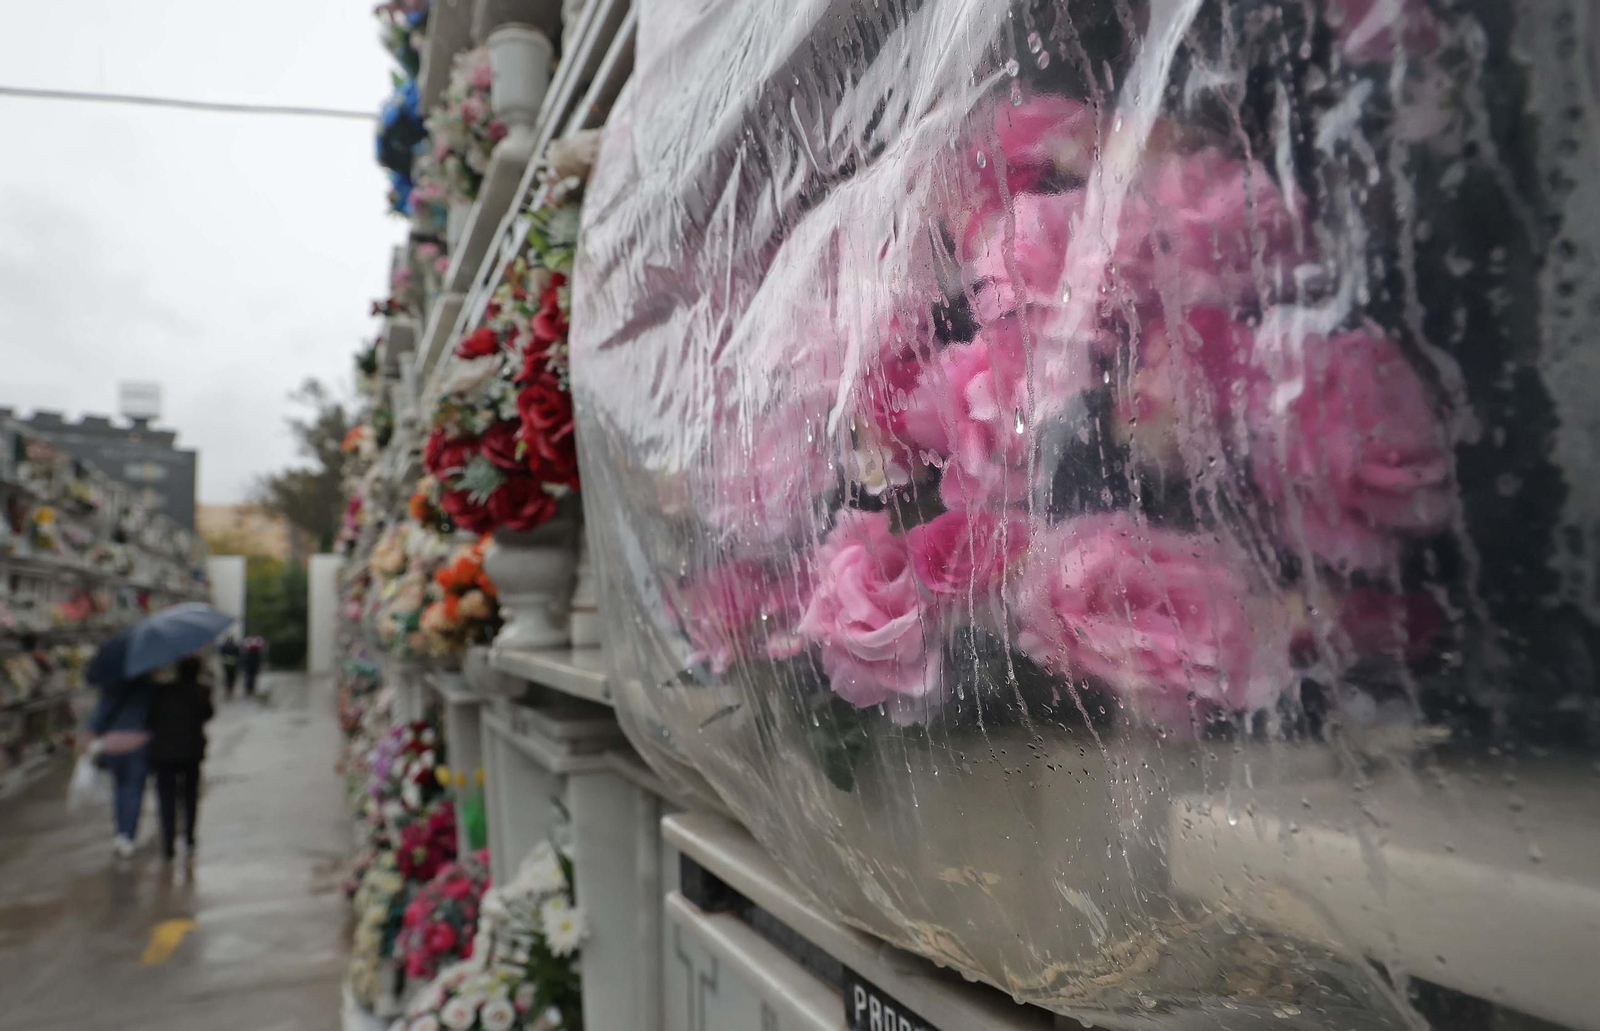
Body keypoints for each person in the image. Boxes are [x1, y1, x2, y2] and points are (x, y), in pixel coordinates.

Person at [148, 655, 214, 861]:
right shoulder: (202, 691)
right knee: (190, 795)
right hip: (191, 753)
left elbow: (149, 719)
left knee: (166, 799)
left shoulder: (161, 692)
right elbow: (208, 714)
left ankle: (168, 843)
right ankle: (190, 837)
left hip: (164, 754)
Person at [87, 674, 154, 858]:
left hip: (112, 745)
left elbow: (100, 715)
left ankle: (120, 833)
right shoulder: (145, 684)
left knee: (119, 788)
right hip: (138, 743)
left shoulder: (110, 686)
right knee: (134, 790)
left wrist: (91, 733)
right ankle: (129, 835)